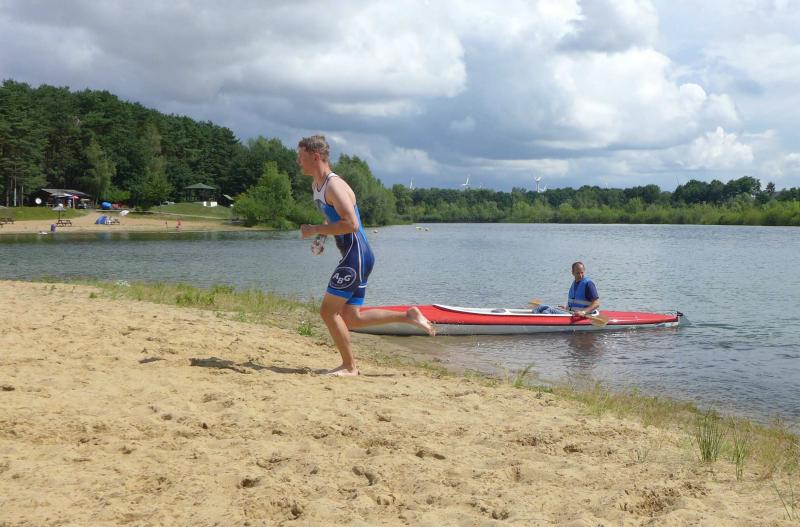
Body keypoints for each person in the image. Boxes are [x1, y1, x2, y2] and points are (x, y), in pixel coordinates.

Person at [297, 135, 434, 376]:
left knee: (328, 312)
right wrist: (321, 237)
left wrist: (314, 229)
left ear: (315, 156)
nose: (298, 161)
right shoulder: (317, 186)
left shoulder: (334, 185)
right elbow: (333, 219)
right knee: (352, 318)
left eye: (301, 156)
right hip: (357, 256)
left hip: (356, 256)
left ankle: (349, 367)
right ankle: (408, 316)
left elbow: (351, 224)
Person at [533, 261, 600, 316]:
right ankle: (532, 318)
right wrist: (566, 308)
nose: (580, 275)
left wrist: (583, 312)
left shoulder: (588, 284)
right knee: (541, 307)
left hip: (579, 315)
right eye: (578, 273)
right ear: (572, 273)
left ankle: (539, 322)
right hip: (570, 312)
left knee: (549, 311)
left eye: (582, 272)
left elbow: (596, 303)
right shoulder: (574, 283)